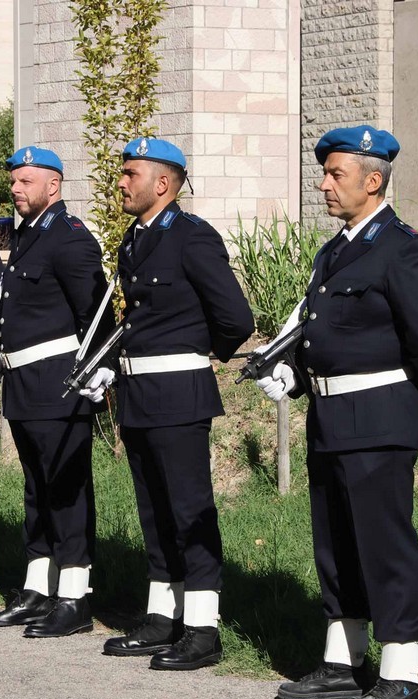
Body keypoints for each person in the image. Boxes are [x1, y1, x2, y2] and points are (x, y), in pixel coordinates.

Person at [255, 125, 418, 699]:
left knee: (383, 544)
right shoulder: (335, 248)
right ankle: (344, 661)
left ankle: (403, 671)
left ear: (374, 179)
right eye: (325, 173)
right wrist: (296, 368)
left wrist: (382, 384)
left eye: (335, 174)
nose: (324, 184)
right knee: (336, 542)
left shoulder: (403, 247)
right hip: (331, 412)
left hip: (379, 413)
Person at [80, 136, 254, 670]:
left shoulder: (192, 238)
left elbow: (236, 321)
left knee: (188, 510)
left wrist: (195, 358)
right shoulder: (136, 239)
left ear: (163, 183)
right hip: (137, 393)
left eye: (130, 174)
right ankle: (162, 616)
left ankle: (202, 627)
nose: (121, 182)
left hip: (179, 392)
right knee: (153, 510)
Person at [0, 146, 108, 637]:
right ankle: (37, 587)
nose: (15, 188)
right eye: (13, 180)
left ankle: (74, 596)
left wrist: (94, 376)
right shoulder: (28, 238)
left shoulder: (70, 239)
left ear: (53, 186)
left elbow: (94, 317)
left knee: (67, 491)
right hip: (24, 384)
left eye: (25, 180)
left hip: (60, 385)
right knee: (37, 489)